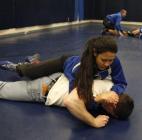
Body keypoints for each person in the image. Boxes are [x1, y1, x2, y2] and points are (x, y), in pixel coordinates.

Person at [0, 36, 134, 128]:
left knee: (35, 72)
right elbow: (74, 97)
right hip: (64, 63)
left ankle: (33, 62)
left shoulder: (113, 62)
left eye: (110, 60)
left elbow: (121, 82)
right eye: (104, 60)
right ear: (94, 53)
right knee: (28, 72)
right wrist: (97, 102)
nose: (107, 64)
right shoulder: (81, 69)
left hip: (55, 80)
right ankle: (17, 67)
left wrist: (114, 93)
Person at [0, 72, 134, 128]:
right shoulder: (98, 93)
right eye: (111, 113)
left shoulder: (112, 85)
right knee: (4, 89)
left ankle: (27, 66)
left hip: (59, 76)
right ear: (112, 105)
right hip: (45, 89)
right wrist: (93, 121)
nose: (108, 114)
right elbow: (70, 102)